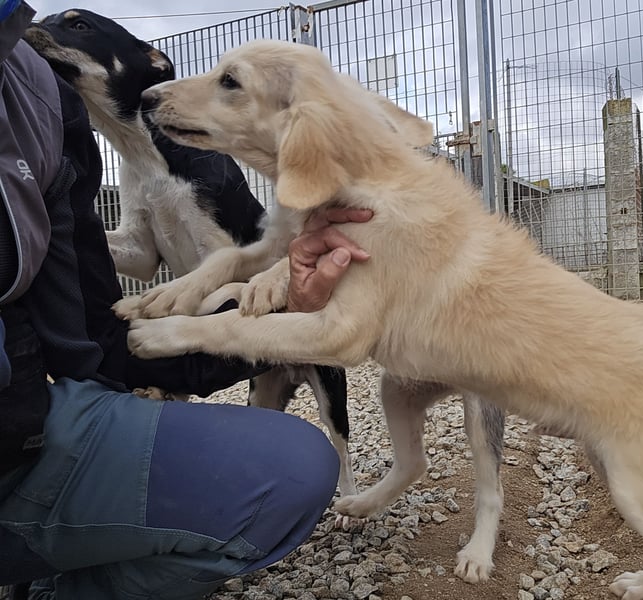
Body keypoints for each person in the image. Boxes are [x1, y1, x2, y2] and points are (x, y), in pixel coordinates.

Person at [0, 1, 372, 598]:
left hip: (249, 311)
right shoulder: (121, 165)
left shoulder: (187, 165)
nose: (37, 33)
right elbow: (140, 258)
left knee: (317, 412)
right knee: (265, 421)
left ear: (148, 65)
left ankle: (347, 473)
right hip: (211, 325)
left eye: (76, 27)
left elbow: (196, 269)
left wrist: (240, 319)